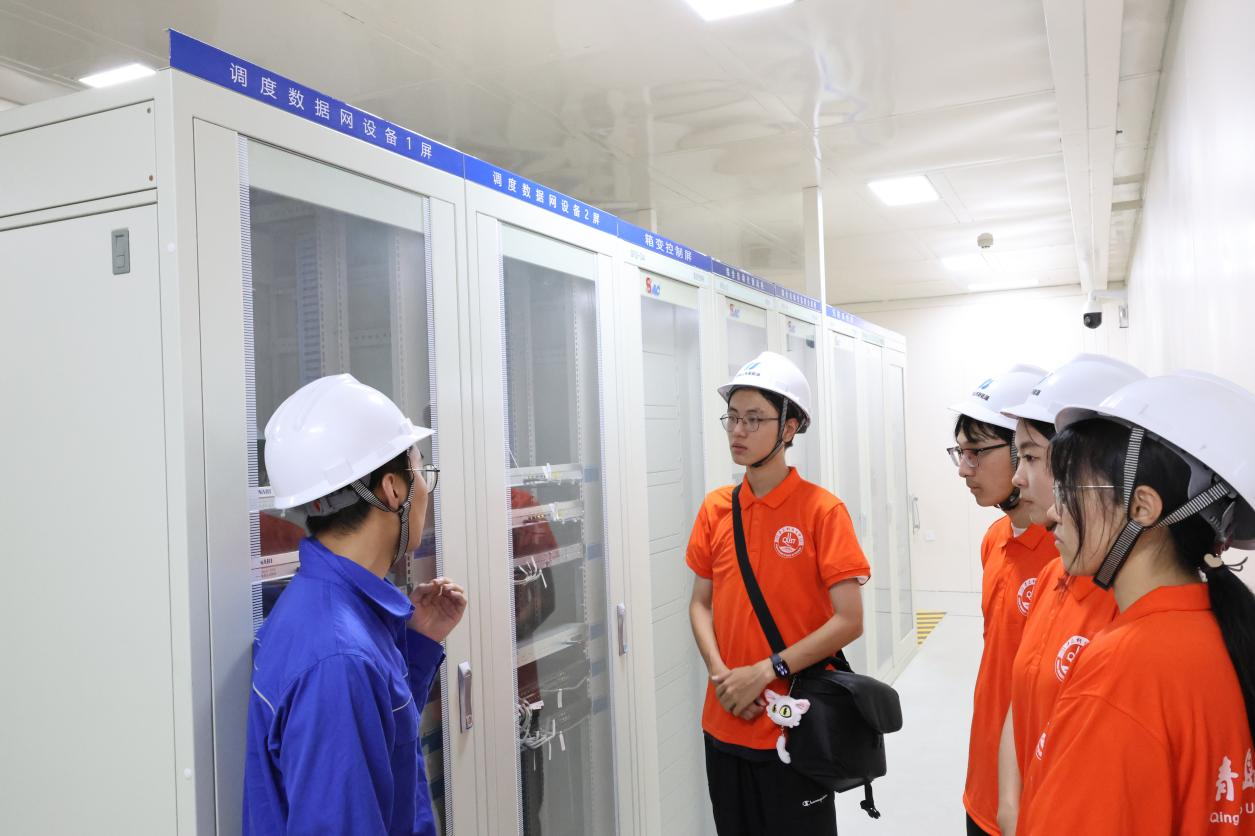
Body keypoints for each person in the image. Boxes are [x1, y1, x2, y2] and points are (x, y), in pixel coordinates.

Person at [1017, 371, 1255, 835]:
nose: (1053, 513)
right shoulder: (1218, 632)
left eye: (1069, 491)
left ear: (1143, 507)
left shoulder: (1125, 671)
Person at [243, 374, 467, 836]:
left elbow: (379, 745)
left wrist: (417, 646)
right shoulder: (339, 658)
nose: (426, 489)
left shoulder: (327, 609)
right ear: (393, 489)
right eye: (421, 471)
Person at [686, 351, 869, 836]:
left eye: (754, 419)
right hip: (724, 719)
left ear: (789, 428)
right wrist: (724, 678)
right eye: (732, 417)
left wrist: (766, 672)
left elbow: (849, 619)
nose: (738, 430)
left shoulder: (822, 511)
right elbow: (700, 603)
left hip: (795, 726)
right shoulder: (715, 509)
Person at [993, 354, 1144, 833]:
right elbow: (1021, 700)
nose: (1017, 478)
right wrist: (1011, 806)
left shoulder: (1131, 608)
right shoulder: (1053, 576)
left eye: (1032, 457)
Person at [947, 364, 1055, 836]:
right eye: (960, 452)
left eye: (976, 452)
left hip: (1037, 793)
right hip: (986, 780)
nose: (963, 468)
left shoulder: (1068, 555)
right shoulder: (994, 539)